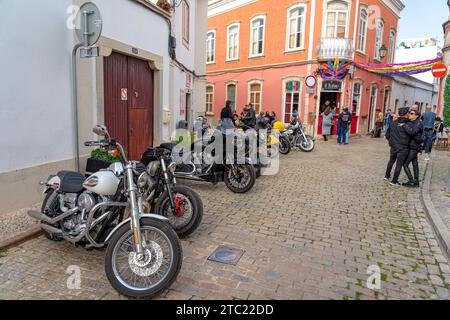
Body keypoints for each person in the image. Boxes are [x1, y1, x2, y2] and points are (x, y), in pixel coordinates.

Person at [385, 108, 411, 187]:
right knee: (399, 164)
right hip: (403, 147)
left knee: (391, 161)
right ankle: (394, 181)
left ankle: (387, 176)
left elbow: (387, 135)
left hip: (394, 145)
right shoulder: (408, 124)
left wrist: (391, 141)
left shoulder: (393, 122)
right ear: (406, 114)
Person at [402, 108, 424, 188]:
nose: (409, 114)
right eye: (409, 113)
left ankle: (411, 180)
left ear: (416, 116)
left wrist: (404, 125)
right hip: (413, 146)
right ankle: (416, 181)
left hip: (414, 147)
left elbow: (412, 132)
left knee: (405, 164)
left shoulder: (418, 123)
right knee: (415, 164)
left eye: (411, 113)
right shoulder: (413, 122)